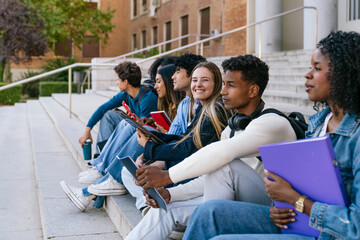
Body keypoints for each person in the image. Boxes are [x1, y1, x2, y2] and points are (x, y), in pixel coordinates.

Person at [183, 31, 360, 240]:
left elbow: (355, 227)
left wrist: (296, 200)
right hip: (299, 219)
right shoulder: (318, 124)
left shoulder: (355, 136)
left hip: (330, 234)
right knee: (208, 213)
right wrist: (281, 205)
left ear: (343, 74)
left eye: (317, 68)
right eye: (310, 67)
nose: (308, 74)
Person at [125, 54, 297, 240]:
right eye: (223, 84)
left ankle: (210, 226)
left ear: (253, 90)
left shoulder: (272, 123)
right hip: (229, 198)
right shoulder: (232, 127)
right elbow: (212, 178)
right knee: (167, 210)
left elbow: (222, 156)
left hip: (271, 208)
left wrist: (166, 176)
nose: (222, 91)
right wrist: (170, 194)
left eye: (230, 85)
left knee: (225, 163)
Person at [60, 53, 206, 211]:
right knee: (125, 122)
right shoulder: (186, 103)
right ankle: (101, 170)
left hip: (177, 158)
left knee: (136, 128)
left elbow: (181, 142)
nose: (173, 77)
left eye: (177, 72)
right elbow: (173, 136)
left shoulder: (200, 107)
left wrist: (151, 144)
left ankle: (100, 182)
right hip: (169, 150)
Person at [78, 61, 158, 155]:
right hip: (134, 127)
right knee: (108, 115)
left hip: (144, 138)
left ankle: (108, 156)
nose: (116, 83)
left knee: (127, 125)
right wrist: (87, 130)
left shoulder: (147, 98)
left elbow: (144, 131)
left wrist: (135, 121)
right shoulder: (125, 94)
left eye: (118, 80)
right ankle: (101, 155)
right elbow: (102, 108)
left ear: (125, 81)